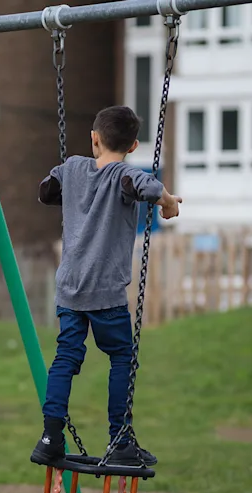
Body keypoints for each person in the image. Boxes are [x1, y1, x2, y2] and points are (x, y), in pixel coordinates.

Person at [30, 105, 182, 467]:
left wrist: (70, 181)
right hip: (105, 294)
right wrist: (168, 202)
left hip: (69, 289)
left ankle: (50, 436)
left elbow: (46, 193)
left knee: (65, 358)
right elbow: (145, 185)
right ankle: (121, 439)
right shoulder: (124, 175)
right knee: (121, 358)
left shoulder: (73, 168)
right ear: (133, 147)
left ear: (94, 138)